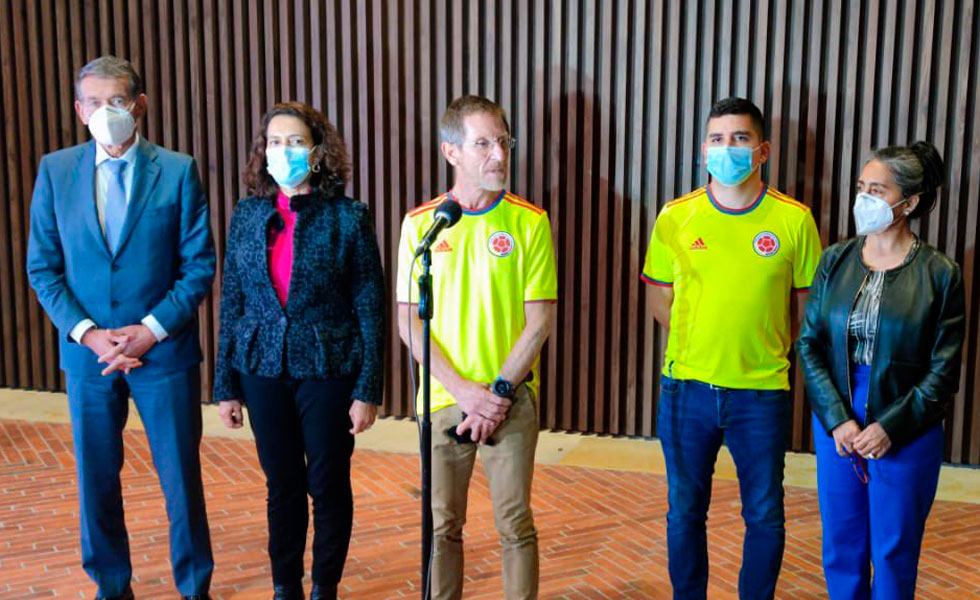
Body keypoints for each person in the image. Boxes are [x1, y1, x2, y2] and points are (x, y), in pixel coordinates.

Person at [26, 56, 215, 600]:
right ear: (78, 109)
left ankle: (194, 586)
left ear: (140, 106)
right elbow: (43, 267)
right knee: (96, 479)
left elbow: (198, 264)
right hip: (89, 357)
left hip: (164, 353)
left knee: (180, 480)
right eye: (94, 102)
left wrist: (150, 330)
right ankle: (110, 586)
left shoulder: (177, 170)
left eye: (117, 101)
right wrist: (89, 333)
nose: (105, 112)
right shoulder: (56, 171)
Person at [641, 97, 823, 599]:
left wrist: (763, 343)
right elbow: (660, 300)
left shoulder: (794, 219)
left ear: (763, 151)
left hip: (761, 392)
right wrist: (702, 340)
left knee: (764, 513)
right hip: (686, 389)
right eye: (718, 139)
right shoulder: (676, 217)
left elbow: (806, 308)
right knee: (684, 511)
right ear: (704, 151)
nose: (728, 149)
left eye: (740, 139)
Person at [213, 102, 384, 600]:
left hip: (328, 367)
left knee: (327, 483)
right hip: (261, 368)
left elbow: (370, 305)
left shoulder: (348, 217)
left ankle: (324, 585)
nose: (282, 151)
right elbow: (233, 301)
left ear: (316, 151)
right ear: (262, 152)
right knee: (282, 484)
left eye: (294, 142)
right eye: (274, 142)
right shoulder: (247, 215)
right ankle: (285, 584)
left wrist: (367, 390)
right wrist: (225, 386)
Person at [395, 95, 557, 600]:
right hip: (444, 399)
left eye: (503, 142)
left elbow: (540, 320)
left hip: (510, 400)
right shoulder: (422, 225)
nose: (499, 155)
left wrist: (496, 394)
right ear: (451, 152)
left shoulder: (530, 222)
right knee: (442, 527)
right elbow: (409, 321)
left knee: (515, 524)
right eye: (483, 143)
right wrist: (464, 391)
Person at [797, 141, 964, 600]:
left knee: (894, 551)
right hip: (838, 416)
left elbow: (943, 371)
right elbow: (810, 344)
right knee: (842, 544)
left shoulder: (940, 274)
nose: (863, 199)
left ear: (908, 203)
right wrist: (837, 418)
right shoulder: (835, 260)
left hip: (907, 420)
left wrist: (890, 426)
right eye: (861, 187)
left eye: (877, 190)